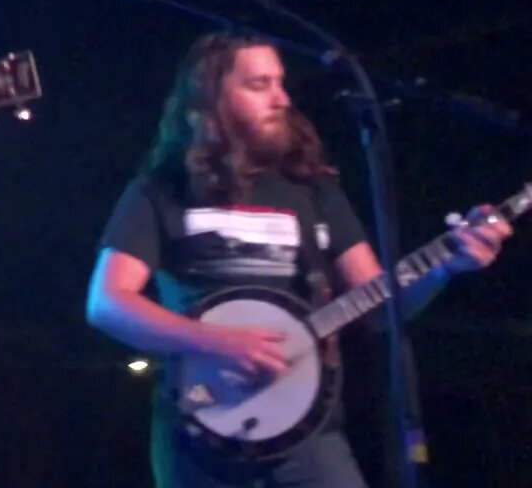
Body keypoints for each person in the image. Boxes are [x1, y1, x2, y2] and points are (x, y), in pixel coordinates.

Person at [84, 32, 511, 487]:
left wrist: (447, 265)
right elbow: (107, 303)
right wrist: (219, 343)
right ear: (213, 100)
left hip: (311, 442)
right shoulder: (161, 190)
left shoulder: (314, 190)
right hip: (200, 433)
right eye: (259, 84)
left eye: (281, 82)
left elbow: (385, 307)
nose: (281, 98)